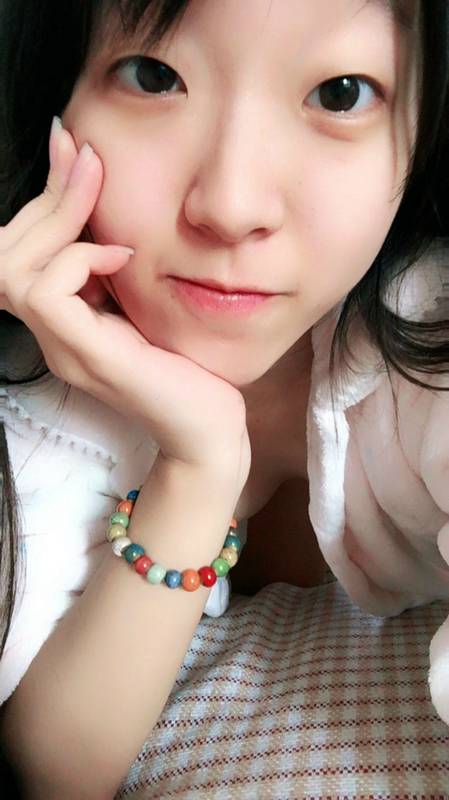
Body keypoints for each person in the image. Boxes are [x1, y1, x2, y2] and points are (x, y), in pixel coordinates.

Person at [0, 0, 448, 796]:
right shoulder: (42, 394)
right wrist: (198, 463)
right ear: (52, 98)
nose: (231, 207)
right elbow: (58, 769)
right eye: (153, 76)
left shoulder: (431, 329)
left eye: (340, 94)